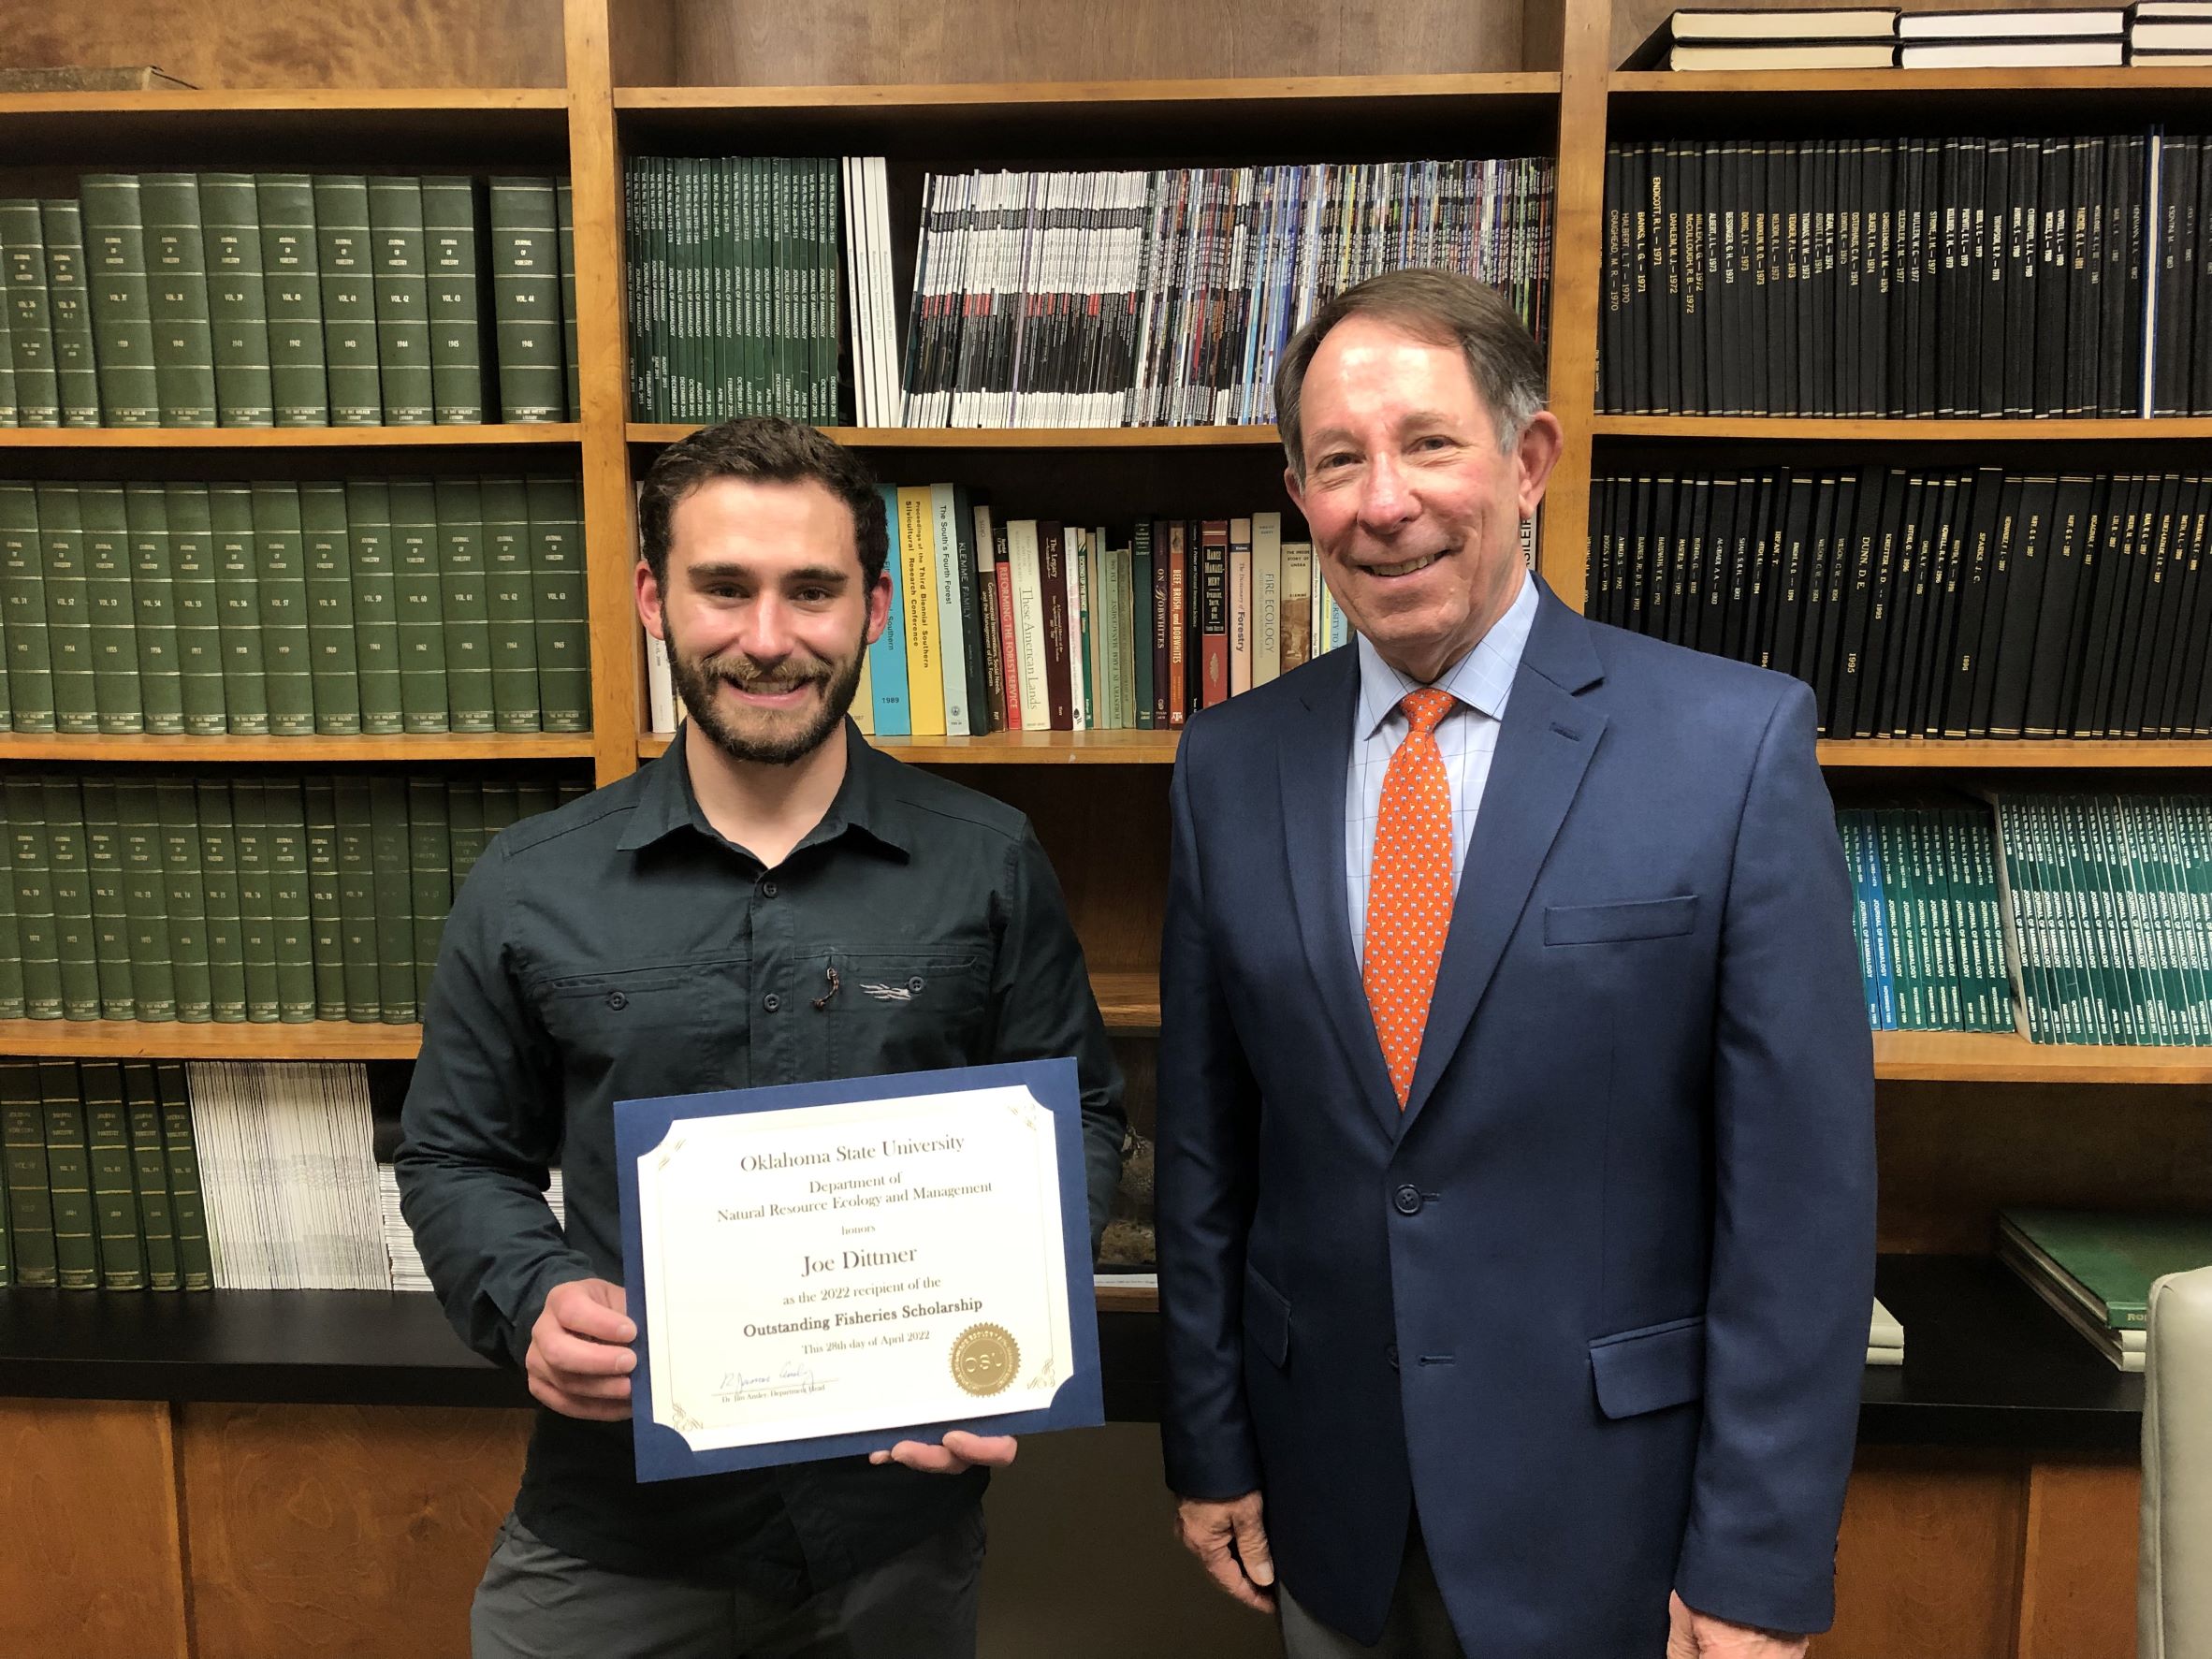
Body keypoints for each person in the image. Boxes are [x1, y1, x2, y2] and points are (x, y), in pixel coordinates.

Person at [1156, 269, 1876, 1659]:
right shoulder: (1227, 765)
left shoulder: (1729, 749)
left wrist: (1760, 1564)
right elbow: (1207, 1154)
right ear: (1298, 493)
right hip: (1329, 1510)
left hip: (1622, 1529)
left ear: (1529, 460)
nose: (1383, 499)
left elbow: (1802, 1209)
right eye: (1338, 460)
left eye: (1429, 443)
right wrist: (1208, 1439)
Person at [397, 415, 1125, 1659]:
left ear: (876, 608)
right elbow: (456, 1157)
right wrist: (532, 1293)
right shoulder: (530, 882)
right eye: (724, 588)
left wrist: (1014, 1310)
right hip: (615, 1530)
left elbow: (1085, 1119)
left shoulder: (987, 860)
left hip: (896, 1536)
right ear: (652, 598)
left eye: (813, 590)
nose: (769, 637)